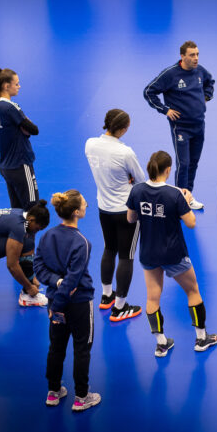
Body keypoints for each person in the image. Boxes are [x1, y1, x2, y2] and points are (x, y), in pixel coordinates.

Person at [126, 151, 217, 357]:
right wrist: (186, 200)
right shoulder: (174, 194)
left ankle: (161, 344)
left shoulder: (137, 190)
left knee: (152, 298)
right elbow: (191, 223)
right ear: (168, 170)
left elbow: (131, 219)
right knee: (193, 291)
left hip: (149, 253)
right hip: (173, 253)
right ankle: (202, 338)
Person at [34, 191, 101, 412]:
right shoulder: (82, 242)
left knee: (56, 347)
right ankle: (81, 397)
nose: (87, 205)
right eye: (84, 203)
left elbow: (39, 268)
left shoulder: (47, 236)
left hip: (55, 302)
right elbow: (73, 281)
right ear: (76, 212)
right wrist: (59, 305)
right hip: (79, 303)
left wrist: (55, 289)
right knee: (82, 349)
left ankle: (53, 392)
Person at [84, 109, 144, 322]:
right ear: (124, 129)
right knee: (126, 256)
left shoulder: (90, 144)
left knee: (109, 249)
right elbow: (140, 180)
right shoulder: (125, 152)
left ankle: (106, 295)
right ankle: (120, 308)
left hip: (104, 208)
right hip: (127, 211)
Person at [143, 41, 215, 210]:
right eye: (192, 55)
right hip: (181, 127)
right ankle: (179, 201)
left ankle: (187, 195)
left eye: (197, 54)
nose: (196, 58)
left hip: (199, 125)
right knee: (183, 163)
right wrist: (165, 110)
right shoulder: (170, 74)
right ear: (182, 56)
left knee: (193, 163)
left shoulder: (200, 71)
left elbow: (210, 81)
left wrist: (206, 98)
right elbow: (149, 91)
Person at [0, 67, 40, 209]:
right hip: (20, 164)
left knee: (16, 211)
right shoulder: (11, 107)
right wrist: (25, 124)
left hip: (7, 166)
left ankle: (17, 232)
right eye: (16, 84)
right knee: (33, 210)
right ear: (6, 86)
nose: (19, 86)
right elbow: (34, 130)